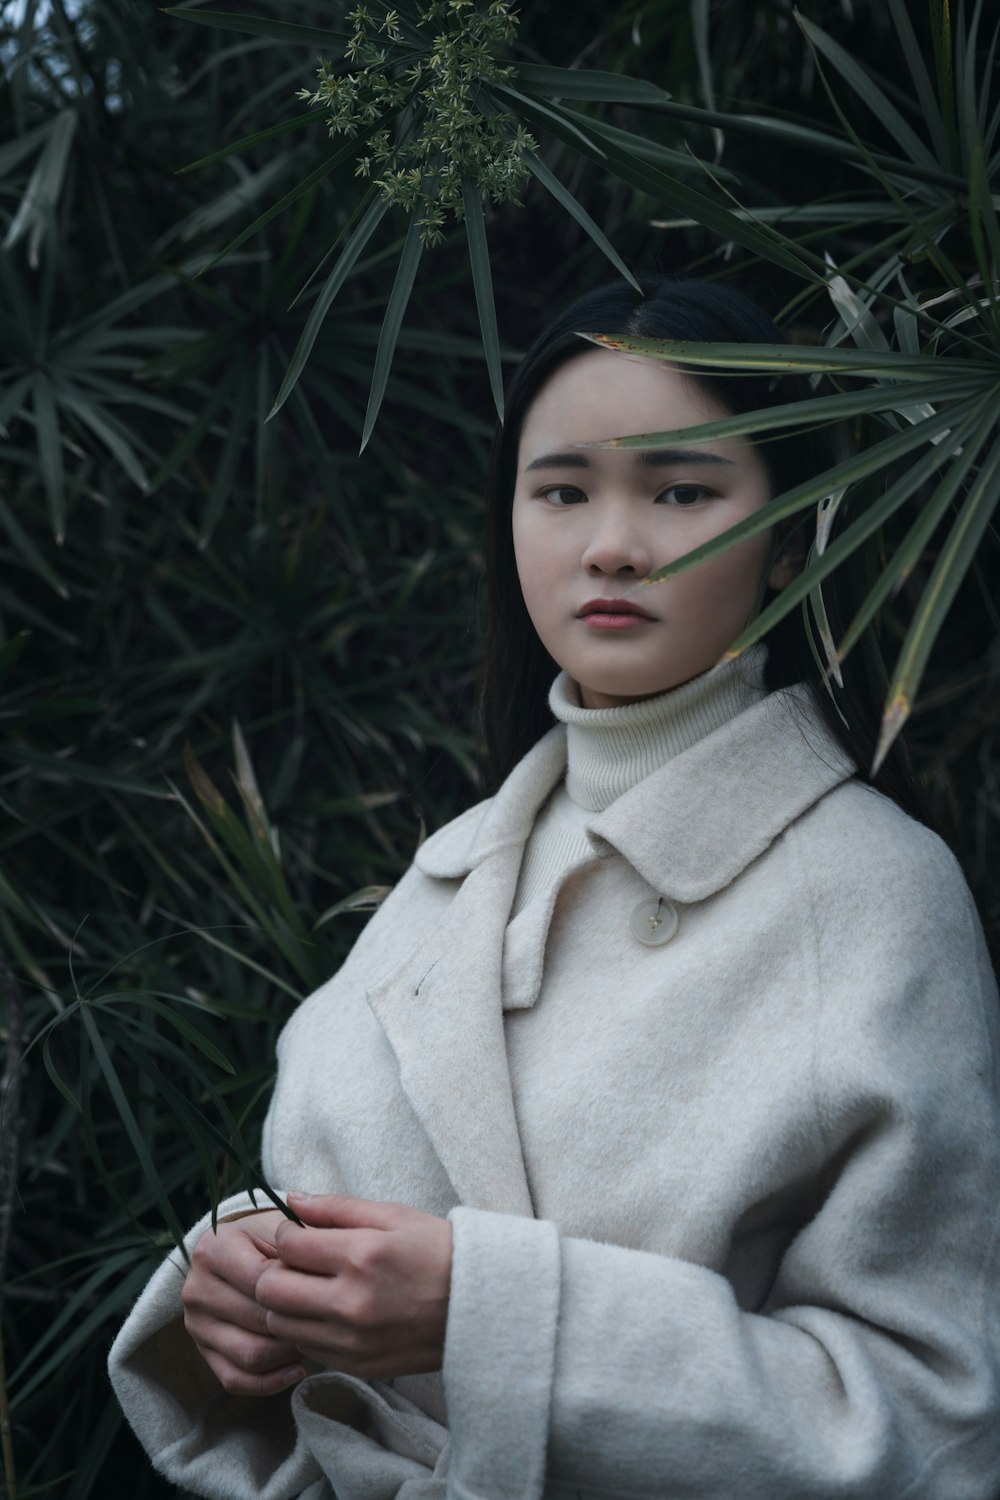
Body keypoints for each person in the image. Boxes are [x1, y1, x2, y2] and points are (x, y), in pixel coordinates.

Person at [109, 276, 1000, 1499]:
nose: (612, 543)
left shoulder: (871, 895)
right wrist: (247, 1306)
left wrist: (490, 1318)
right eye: (562, 490)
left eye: (682, 490)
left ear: (789, 535)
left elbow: (929, 1422)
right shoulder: (444, 884)